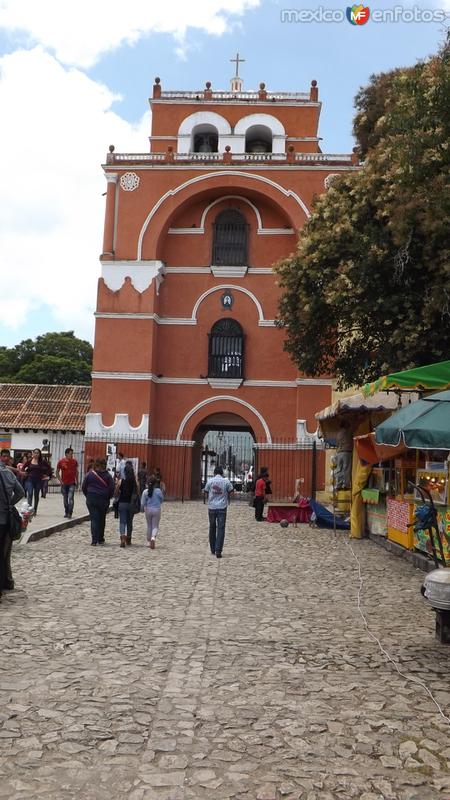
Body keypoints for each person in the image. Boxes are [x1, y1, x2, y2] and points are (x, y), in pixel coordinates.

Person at [0, 448, 25, 597]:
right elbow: (21, 492)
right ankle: (4, 584)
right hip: (5, 520)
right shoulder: (9, 474)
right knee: (3, 555)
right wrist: (10, 504)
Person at [81, 457, 114, 546]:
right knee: (102, 518)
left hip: (91, 498)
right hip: (103, 499)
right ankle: (100, 538)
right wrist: (108, 497)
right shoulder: (108, 476)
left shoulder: (90, 474)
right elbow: (112, 489)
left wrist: (87, 495)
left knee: (94, 519)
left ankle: (94, 539)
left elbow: (84, 487)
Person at [203, 466, 233, 558]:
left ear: (214, 473)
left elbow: (206, 491)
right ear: (222, 473)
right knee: (221, 528)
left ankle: (212, 548)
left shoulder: (210, 481)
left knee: (212, 527)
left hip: (212, 507)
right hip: (222, 507)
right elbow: (231, 491)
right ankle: (218, 550)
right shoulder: (226, 481)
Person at [115, 460, 139, 547]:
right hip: (131, 503)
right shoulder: (135, 482)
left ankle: (122, 538)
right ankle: (128, 538)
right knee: (129, 522)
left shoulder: (122, 481)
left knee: (122, 521)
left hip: (122, 502)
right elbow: (138, 492)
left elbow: (116, 492)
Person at [23, 448, 51, 514]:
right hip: (30, 479)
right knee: (30, 494)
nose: (36, 454)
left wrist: (46, 474)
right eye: (35, 453)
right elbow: (23, 467)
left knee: (36, 495)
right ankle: (29, 510)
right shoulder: (30, 461)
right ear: (33, 454)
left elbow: (49, 468)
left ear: (39, 454)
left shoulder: (42, 461)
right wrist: (25, 473)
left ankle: (35, 510)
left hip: (38, 480)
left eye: (37, 453)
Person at [141, 474, 164, 549]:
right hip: (156, 509)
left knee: (149, 525)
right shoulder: (158, 491)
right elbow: (161, 500)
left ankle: (148, 542)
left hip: (148, 510)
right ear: (155, 483)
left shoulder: (145, 492)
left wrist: (142, 509)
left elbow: (143, 503)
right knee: (155, 526)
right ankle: (153, 538)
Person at [57, 447, 79, 519]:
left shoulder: (74, 462)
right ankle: (66, 511)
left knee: (71, 498)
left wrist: (77, 481)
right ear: (66, 454)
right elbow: (57, 472)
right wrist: (60, 481)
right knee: (65, 499)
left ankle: (70, 512)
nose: (72, 455)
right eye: (70, 454)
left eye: (72, 454)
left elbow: (76, 472)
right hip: (64, 483)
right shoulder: (61, 462)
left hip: (72, 483)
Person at [335, 419, 353, 489]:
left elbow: (337, 443)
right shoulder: (348, 433)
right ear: (346, 425)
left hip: (339, 452)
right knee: (346, 468)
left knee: (339, 468)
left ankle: (338, 484)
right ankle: (346, 485)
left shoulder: (338, 433)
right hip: (347, 452)